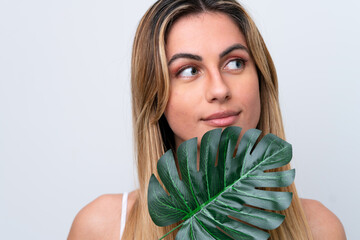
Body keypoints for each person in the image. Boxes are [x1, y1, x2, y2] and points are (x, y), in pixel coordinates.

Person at [68, 0, 346, 239]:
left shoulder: (319, 229)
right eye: (189, 70)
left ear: (261, 77)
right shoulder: (102, 228)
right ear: (155, 96)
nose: (219, 89)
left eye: (235, 63)